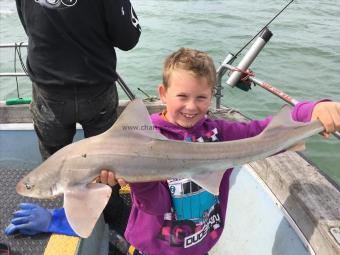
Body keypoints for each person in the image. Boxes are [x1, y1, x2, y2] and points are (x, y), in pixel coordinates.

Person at [6, 48, 340, 255]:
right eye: (182, 97)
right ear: (163, 93)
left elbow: (266, 131)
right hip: (154, 246)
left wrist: (313, 112)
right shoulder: (141, 130)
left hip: (201, 242)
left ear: (212, 98)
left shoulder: (217, 131)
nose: (192, 107)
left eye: (202, 98)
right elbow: (154, 206)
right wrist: (131, 181)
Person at [13, 1, 141, 254]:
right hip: (96, 87)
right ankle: (111, 214)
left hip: (48, 89)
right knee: (109, 160)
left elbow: (29, 23)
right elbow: (128, 38)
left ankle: (68, 209)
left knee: (54, 159)